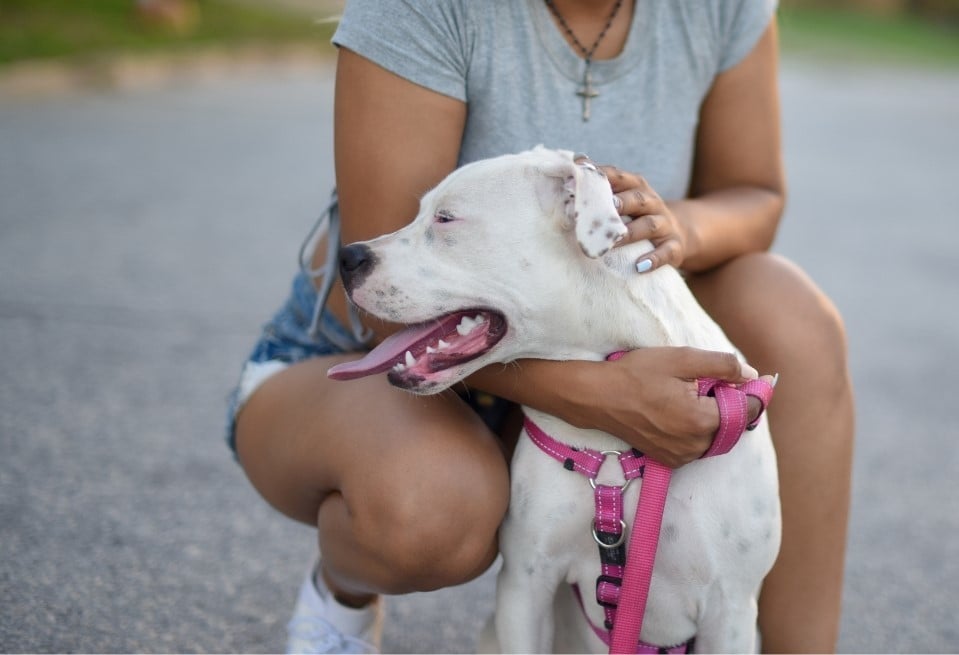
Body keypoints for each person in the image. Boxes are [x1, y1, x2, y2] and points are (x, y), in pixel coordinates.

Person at [227, 0, 854, 652]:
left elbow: (754, 190)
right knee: (432, 505)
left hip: (592, 331)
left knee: (793, 315)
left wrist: (672, 229)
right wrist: (607, 397)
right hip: (389, 358)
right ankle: (344, 588)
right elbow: (383, 302)